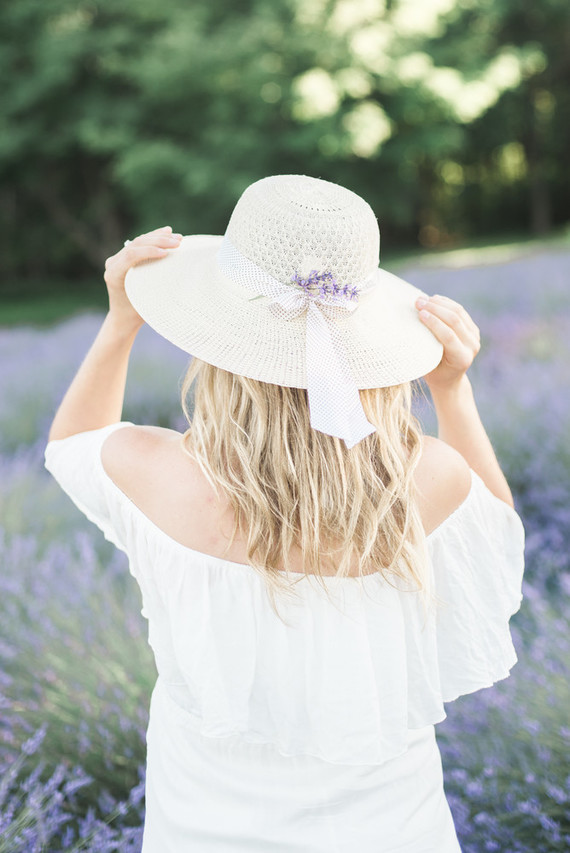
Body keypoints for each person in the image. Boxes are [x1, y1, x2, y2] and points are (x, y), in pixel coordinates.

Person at [44, 174, 525, 853]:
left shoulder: (154, 474)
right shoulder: (432, 479)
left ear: (220, 347)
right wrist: (451, 388)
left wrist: (122, 318)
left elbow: (70, 446)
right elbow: (497, 543)